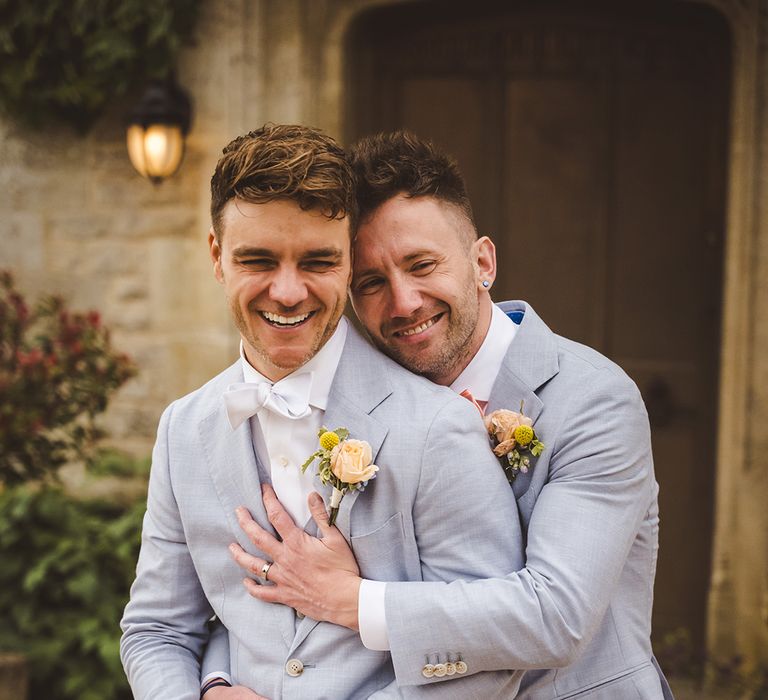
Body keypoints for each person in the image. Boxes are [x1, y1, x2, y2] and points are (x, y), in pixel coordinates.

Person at [206, 130, 674, 699]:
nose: (403, 303)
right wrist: (218, 680)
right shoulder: (356, 406)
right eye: (371, 282)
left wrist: (352, 600)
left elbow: (558, 615)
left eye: (422, 265)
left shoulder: (593, 399)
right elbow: (271, 587)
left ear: (483, 261)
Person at [119, 124, 527, 700]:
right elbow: (157, 630)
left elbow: (486, 656)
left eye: (317, 261)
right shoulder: (183, 428)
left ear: (347, 262)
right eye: (258, 259)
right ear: (217, 257)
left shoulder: (438, 425)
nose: (287, 292)